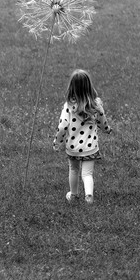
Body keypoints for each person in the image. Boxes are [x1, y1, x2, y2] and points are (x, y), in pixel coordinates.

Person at [53, 69, 112, 204]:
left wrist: (58, 141)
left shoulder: (68, 106)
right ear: (89, 86)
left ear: (71, 87)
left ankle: (73, 195)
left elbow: (62, 126)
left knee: (73, 169)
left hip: (73, 147)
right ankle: (89, 196)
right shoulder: (96, 104)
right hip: (90, 147)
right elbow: (102, 121)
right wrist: (107, 129)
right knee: (87, 174)